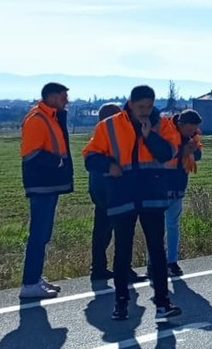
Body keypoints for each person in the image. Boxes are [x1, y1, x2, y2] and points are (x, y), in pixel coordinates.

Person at [83, 85, 183, 321]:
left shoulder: (163, 124)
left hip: (152, 195)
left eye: (149, 106)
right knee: (122, 251)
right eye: (141, 107)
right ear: (131, 103)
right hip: (122, 195)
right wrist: (109, 165)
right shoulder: (109, 126)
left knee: (157, 250)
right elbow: (90, 156)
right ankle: (121, 304)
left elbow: (168, 153)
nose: (145, 112)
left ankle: (162, 303)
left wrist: (150, 136)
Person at [18, 82, 74, 300]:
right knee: (39, 234)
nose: (66, 101)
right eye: (63, 97)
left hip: (48, 184)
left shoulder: (50, 117)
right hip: (42, 184)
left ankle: (34, 278)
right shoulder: (37, 119)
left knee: (43, 234)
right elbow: (30, 153)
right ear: (51, 97)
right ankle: (30, 282)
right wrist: (57, 162)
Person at [88, 103, 149, 284]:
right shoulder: (117, 137)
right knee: (123, 232)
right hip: (116, 190)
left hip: (99, 190)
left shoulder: (97, 137)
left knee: (101, 230)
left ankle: (98, 268)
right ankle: (124, 270)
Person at [161, 110, 203, 277]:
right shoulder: (165, 131)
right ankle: (153, 264)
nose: (192, 132)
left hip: (178, 187)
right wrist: (183, 151)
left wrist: (191, 150)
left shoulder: (191, 135)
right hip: (160, 188)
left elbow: (197, 154)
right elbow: (161, 155)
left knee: (172, 226)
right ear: (181, 124)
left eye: (195, 129)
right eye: (190, 129)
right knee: (157, 229)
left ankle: (172, 262)